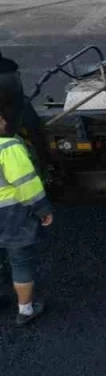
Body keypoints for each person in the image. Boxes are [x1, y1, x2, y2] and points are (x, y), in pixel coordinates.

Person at [0, 114, 52, 326]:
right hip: (10, 213)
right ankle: (25, 310)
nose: (5, 121)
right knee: (20, 260)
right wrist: (42, 209)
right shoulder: (8, 146)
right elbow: (26, 183)